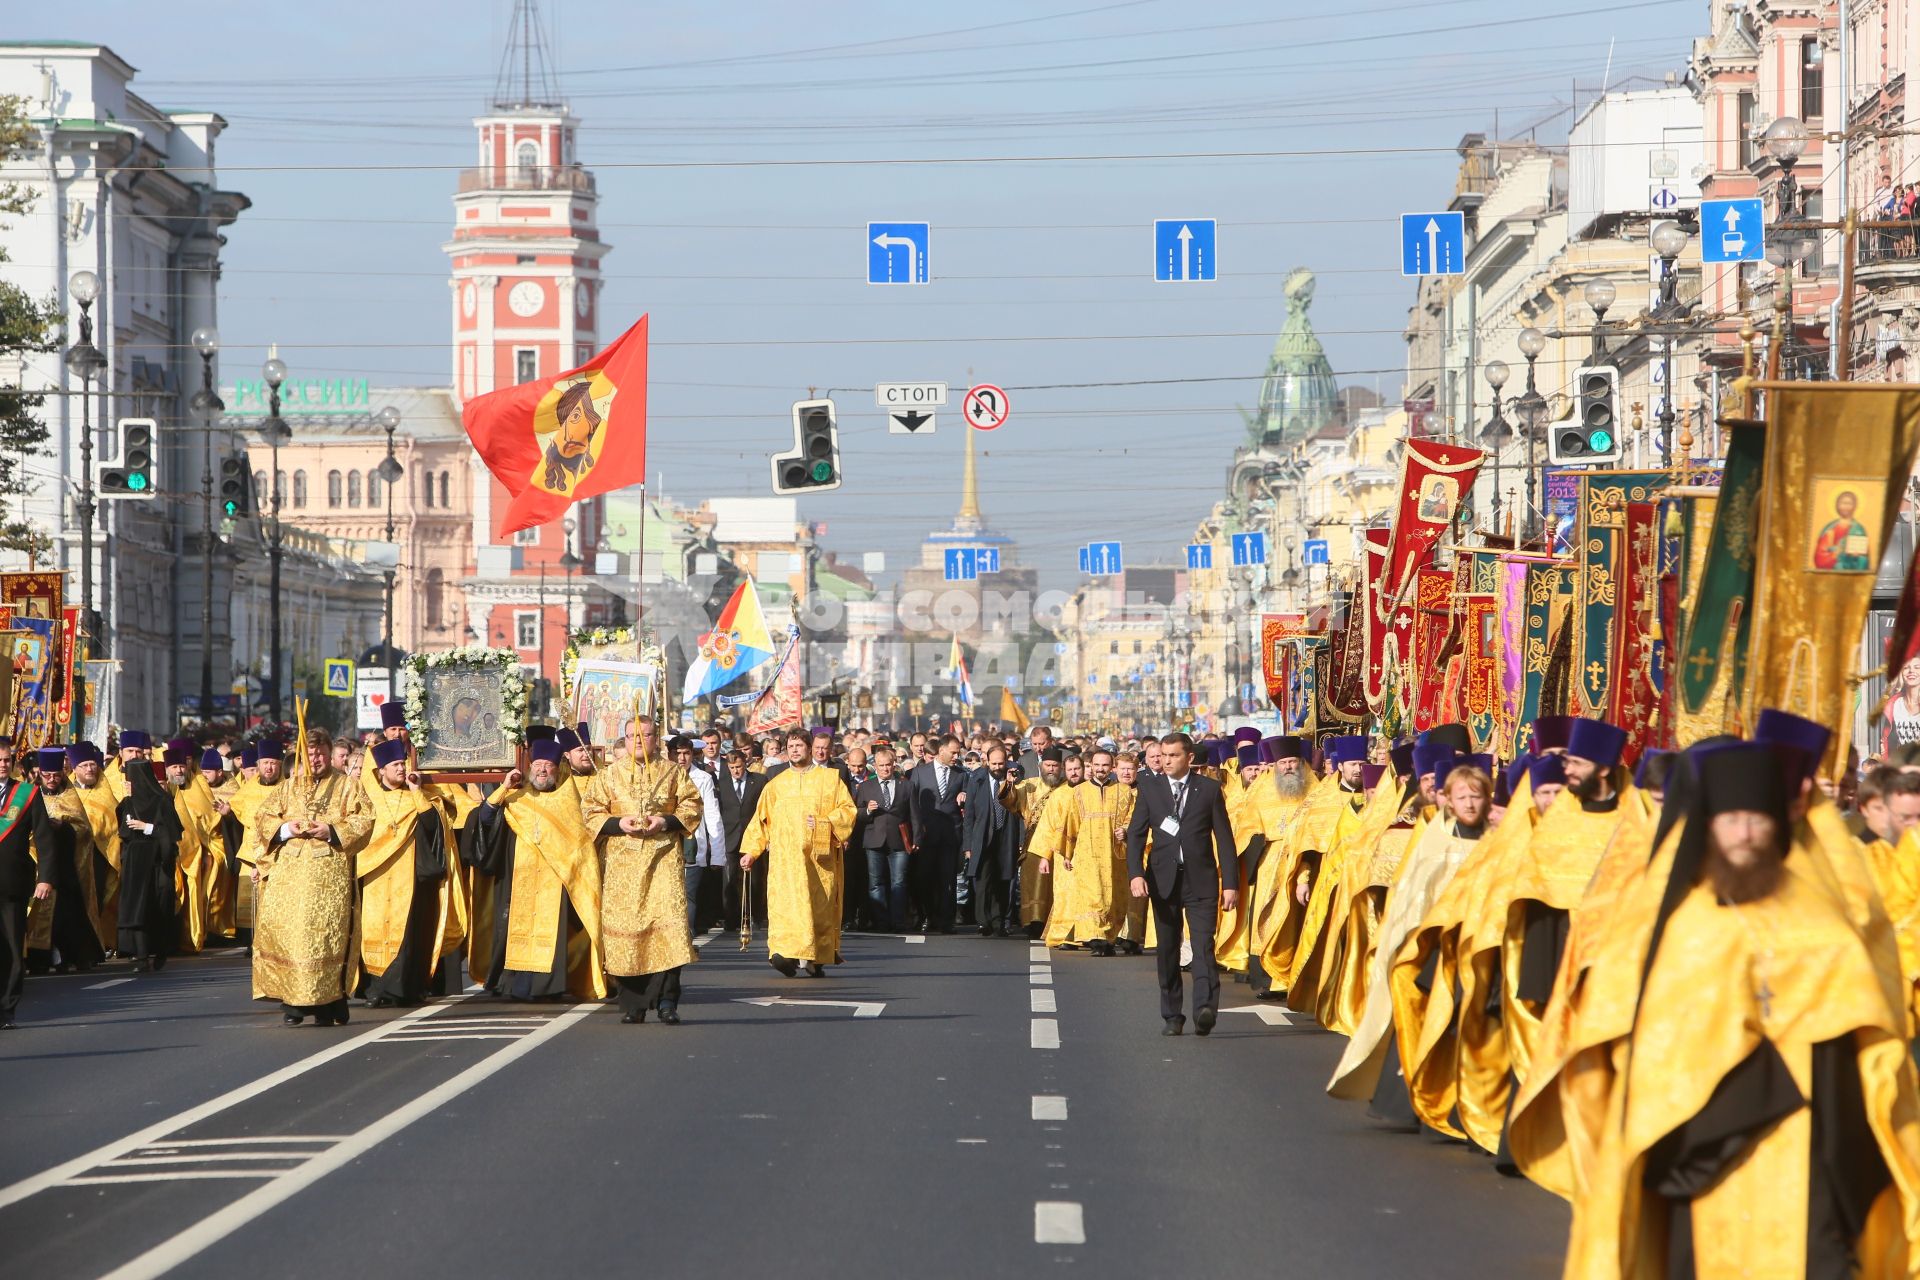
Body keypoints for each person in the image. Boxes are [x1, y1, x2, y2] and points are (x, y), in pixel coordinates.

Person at [584, 717, 704, 1024]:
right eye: (632, 736)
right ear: (624, 740)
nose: (639, 740)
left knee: (670, 931)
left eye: (646, 735)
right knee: (628, 935)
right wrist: (617, 824)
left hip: (662, 862)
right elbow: (589, 812)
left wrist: (664, 821)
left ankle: (667, 1002)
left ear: (656, 739)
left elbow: (692, 806)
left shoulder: (674, 772)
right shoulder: (608, 775)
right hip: (622, 867)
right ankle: (634, 1005)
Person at [251, 729, 374, 1026]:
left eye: (321, 752)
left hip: (329, 880)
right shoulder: (288, 787)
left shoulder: (347, 786)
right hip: (289, 880)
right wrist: (287, 829)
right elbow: (263, 818)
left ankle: (328, 1005)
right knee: (290, 938)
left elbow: (365, 818)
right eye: (310, 753)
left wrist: (330, 831)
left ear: (330, 754)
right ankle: (293, 1005)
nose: (316, 758)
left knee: (326, 940)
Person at [473, 739, 608, 1002]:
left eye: (548, 765)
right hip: (516, 878)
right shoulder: (514, 797)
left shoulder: (568, 801)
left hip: (553, 880)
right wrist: (503, 787)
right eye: (538, 765)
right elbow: (485, 819)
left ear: (558, 770)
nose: (542, 770)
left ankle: (548, 988)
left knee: (551, 933)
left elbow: (579, 844)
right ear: (529, 767)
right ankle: (512, 985)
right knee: (513, 930)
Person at [1124, 732, 1239, 1036]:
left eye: (1173, 755)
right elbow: (1136, 834)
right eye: (1163, 755)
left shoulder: (1210, 790)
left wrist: (1230, 883)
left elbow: (1225, 840)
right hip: (1163, 882)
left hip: (1200, 880)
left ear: (1189, 758)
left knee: (1203, 946)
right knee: (1168, 949)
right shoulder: (1150, 788)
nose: (1166, 761)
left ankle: (1205, 1009)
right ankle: (1172, 1015)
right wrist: (1135, 873)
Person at [740, 728, 856, 977]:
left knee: (817, 909)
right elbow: (761, 821)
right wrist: (751, 851)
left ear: (810, 747)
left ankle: (816, 959)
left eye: (799, 746)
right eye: (790, 746)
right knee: (786, 908)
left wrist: (826, 822)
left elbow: (848, 811)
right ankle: (783, 955)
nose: (794, 750)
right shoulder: (776, 785)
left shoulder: (830, 779)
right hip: (786, 863)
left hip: (819, 863)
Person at [357, 739, 458, 1008]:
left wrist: (416, 791)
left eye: (402, 763)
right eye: (395, 765)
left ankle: (406, 989)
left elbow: (435, 825)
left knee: (409, 933)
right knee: (372, 928)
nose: (401, 769)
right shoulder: (367, 799)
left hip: (409, 875)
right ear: (381, 772)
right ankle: (374, 989)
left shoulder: (421, 794)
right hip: (374, 874)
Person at [1031, 746, 1129, 954]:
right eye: (1097, 765)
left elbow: (1133, 816)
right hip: (1086, 856)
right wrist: (1066, 853)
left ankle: (1109, 938)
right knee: (1091, 896)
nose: (1101, 769)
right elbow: (1070, 825)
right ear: (1091, 767)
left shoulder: (1124, 791)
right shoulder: (1080, 793)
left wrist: (1127, 830)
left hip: (1115, 855)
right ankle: (1096, 939)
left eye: (1105, 765)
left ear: (1112, 767)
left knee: (1113, 898)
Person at [26, 747, 105, 975]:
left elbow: (84, 829)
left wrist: (64, 826)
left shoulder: (70, 796)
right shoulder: (29, 795)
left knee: (67, 914)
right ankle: (38, 960)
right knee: (37, 914)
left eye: (57, 775)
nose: (52, 780)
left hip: (66, 866)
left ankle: (73, 957)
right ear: (39, 773)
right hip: (37, 865)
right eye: (47, 775)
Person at [0, 740, 60, 1028]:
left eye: (7, 759)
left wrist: (46, 877)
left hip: (12, 884)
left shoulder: (26, 793)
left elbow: (45, 840)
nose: (3, 764)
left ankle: (7, 1008)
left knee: (12, 949)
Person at [115, 746, 182, 973]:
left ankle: (161, 951)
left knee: (159, 908)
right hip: (136, 862)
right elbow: (123, 831)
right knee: (137, 910)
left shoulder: (163, 801)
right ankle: (141, 957)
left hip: (158, 863)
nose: (126, 785)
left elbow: (172, 834)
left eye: (129, 780)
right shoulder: (127, 804)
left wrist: (148, 827)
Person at [907, 734, 966, 934]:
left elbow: (969, 799)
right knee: (925, 878)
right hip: (926, 834)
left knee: (947, 880)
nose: (956, 756)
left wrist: (964, 794)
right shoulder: (920, 773)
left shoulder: (960, 774)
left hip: (951, 835)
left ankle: (946, 921)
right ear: (941, 751)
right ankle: (927, 917)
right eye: (953, 752)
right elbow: (912, 804)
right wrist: (916, 832)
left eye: (958, 752)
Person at [669, 735, 727, 934]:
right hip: (664, 845)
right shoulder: (660, 776)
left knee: (687, 895)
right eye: (677, 754)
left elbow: (712, 815)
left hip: (693, 845)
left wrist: (718, 855)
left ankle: (686, 935)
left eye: (686, 753)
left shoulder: (703, 778)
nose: (682, 758)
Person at [963, 746, 1022, 937]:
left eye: (1001, 763)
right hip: (982, 838)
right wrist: (968, 845)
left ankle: (999, 922)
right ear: (987, 761)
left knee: (1003, 881)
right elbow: (969, 815)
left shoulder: (1014, 780)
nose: (997, 767)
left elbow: (1020, 812)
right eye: (994, 763)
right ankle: (983, 921)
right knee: (982, 881)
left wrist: (1012, 783)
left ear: (1007, 762)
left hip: (1005, 837)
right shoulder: (976, 780)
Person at [855, 745, 913, 932]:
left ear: (894, 765)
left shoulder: (906, 785)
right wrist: (867, 811)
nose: (885, 769)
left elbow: (915, 814)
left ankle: (898, 921)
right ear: (875, 766)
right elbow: (855, 814)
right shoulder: (865, 787)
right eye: (881, 766)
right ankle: (881, 921)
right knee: (876, 883)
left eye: (888, 765)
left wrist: (917, 838)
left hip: (899, 841)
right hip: (874, 840)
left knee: (899, 882)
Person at [716, 746, 768, 933]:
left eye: (738, 767)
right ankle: (731, 919)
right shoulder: (721, 783)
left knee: (754, 880)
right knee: (729, 880)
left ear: (745, 763)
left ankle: (755, 917)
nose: (736, 771)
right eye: (732, 768)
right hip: (729, 836)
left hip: (753, 837)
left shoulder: (759, 781)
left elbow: (765, 809)